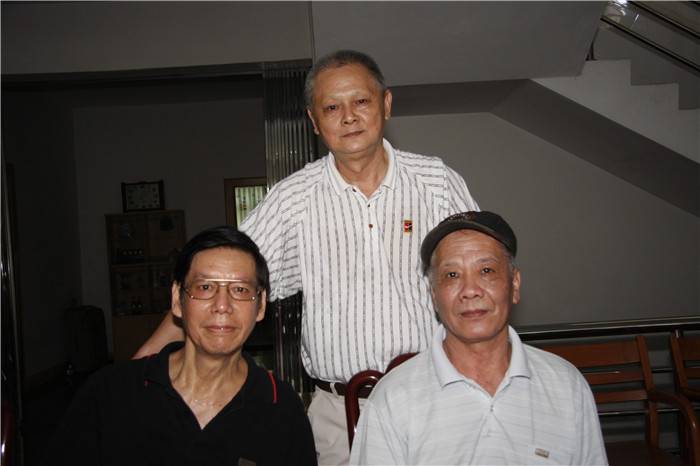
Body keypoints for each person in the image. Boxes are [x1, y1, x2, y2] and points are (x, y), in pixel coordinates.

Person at [135, 50, 479, 465]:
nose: (348, 117)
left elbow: (482, 283)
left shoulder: (436, 182)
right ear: (314, 121)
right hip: (339, 416)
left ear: (386, 104)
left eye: (361, 101)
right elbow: (220, 280)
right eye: (332, 108)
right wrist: (143, 363)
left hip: (436, 398)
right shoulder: (292, 200)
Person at [349, 211, 608, 466]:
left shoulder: (566, 386)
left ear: (515, 284)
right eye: (452, 275)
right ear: (434, 296)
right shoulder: (393, 398)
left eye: (486, 270)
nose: (470, 290)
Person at [47, 226, 316, 466]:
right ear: (177, 300)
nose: (222, 305)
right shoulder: (110, 393)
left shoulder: (281, 408)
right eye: (205, 287)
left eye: (240, 290)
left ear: (261, 305)